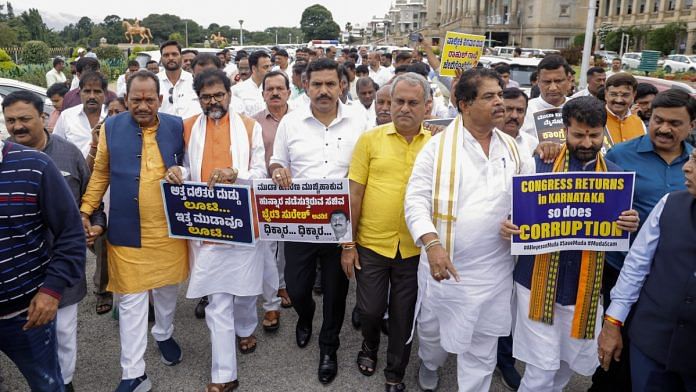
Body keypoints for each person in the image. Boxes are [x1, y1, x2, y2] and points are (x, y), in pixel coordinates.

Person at [405, 68, 534, 392]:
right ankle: (431, 362)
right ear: (464, 104)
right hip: (444, 266)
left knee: (483, 344)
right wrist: (432, 244)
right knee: (434, 334)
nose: (499, 102)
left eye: (500, 95)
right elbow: (415, 200)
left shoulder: (516, 149)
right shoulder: (436, 149)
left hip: (494, 270)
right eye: (489, 96)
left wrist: (521, 225)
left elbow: (529, 203)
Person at [501, 96, 639, 392]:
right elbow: (510, 213)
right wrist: (507, 225)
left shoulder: (616, 178)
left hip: (583, 288)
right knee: (540, 369)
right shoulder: (537, 164)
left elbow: (618, 233)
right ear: (565, 130)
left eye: (594, 135)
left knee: (565, 365)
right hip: (534, 283)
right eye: (579, 134)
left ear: (604, 131)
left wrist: (629, 224)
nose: (587, 142)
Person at [79, 70, 189, 391]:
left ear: (160, 99)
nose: (142, 105)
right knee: (130, 301)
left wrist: (180, 169)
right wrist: (85, 211)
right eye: (136, 99)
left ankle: (164, 333)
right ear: (126, 100)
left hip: (169, 232)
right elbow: (99, 175)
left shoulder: (176, 126)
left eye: (149, 99)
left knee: (167, 291)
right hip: (127, 232)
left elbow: (190, 164)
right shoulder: (111, 128)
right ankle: (133, 373)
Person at [269, 58, 370, 385]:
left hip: (342, 223)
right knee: (297, 288)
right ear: (305, 86)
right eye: (317, 85)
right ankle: (305, 316)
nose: (324, 91)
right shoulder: (291, 122)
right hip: (300, 223)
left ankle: (329, 346)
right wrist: (277, 171)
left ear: (342, 85)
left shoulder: (360, 121)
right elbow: (276, 161)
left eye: (330, 84)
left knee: (336, 291)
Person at [165, 69, 266, 392]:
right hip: (205, 224)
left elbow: (261, 172)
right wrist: (177, 172)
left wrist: (237, 172)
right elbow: (186, 166)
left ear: (229, 94)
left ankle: (247, 326)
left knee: (246, 289)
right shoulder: (189, 127)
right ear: (199, 99)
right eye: (206, 97)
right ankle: (224, 375)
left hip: (242, 222)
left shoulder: (250, 127)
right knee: (218, 299)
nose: (213, 101)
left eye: (218, 95)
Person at [593, 89, 696, 391]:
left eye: (675, 123)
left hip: (675, 280)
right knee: (620, 346)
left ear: (691, 125)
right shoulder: (619, 155)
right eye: (658, 120)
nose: (664, 129)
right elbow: (590, 205)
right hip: (622, 270)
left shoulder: (692, 159)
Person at [8, 90, 106, 392]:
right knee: (28, 338)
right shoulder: (5, 160)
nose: (17, 127)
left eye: (25, 119)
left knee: (63, 335)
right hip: (19, 272)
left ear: (44, 117)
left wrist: (97, 225)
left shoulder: (68, 154)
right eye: (10, 121)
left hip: (62, 266)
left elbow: (94, 201)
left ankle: (64, 384)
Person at [344, 72, 432, 392]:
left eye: (413, 103)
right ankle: (369, 345)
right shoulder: (370, 139)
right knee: (368, 310)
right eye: (398, 102)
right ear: (389, 104)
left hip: (415, 249)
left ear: (427, 107)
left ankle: (395, 371)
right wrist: (347, 244)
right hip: (371, 244)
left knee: (402, 315)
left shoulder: (436, 145)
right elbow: (354, 193)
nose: (404, 109)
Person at [251, 71, 294, 318]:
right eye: (270, 89)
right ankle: (273, 291)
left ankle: (283, 284)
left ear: (288, 92)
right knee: (268, 245)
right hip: (265, 193)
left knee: (288, 246)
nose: (275, 93)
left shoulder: (301, 119)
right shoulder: (253, 123)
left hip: (295, 192)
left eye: (280, 88)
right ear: (263, 93)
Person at [520, 55, 573, 149]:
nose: (553, 88)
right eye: (547, 82)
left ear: (569, 80)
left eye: (558, 81)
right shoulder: (524, 111)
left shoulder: (579, 108)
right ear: (538, 81)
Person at [53, 71, 107, 158]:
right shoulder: (66, 116)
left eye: (97, 91)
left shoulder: (111, 116)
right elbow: (56, 148)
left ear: (105, 93)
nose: (92, 96)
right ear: (80, 93)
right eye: (87, 91)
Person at [604, 73, 646, 145]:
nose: (619, 100)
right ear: (606, 94)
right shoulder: (596, 120)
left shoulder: (639, 123)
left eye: (625, 95)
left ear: (634, 95)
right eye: (613, 94)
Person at [157, 40, 196, 117]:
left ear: (181, 57)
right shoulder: (153, 81)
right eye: (166, 55)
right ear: (161, 59)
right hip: (162, 128)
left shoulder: (193, 80)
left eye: (174, 54)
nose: (170, 58)